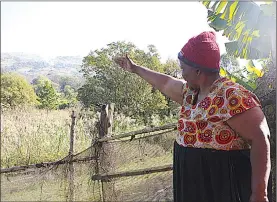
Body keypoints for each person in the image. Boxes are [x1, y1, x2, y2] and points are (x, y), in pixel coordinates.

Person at [114, 31, 272, 202]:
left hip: (222, 186)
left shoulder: (231, 96)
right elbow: (164, 82)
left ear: (198, 70)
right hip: (192, 185)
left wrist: (259, 194)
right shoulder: (190, 93)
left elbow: (260, 138)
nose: (182, 74)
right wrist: (135, 68)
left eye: (183, 69)